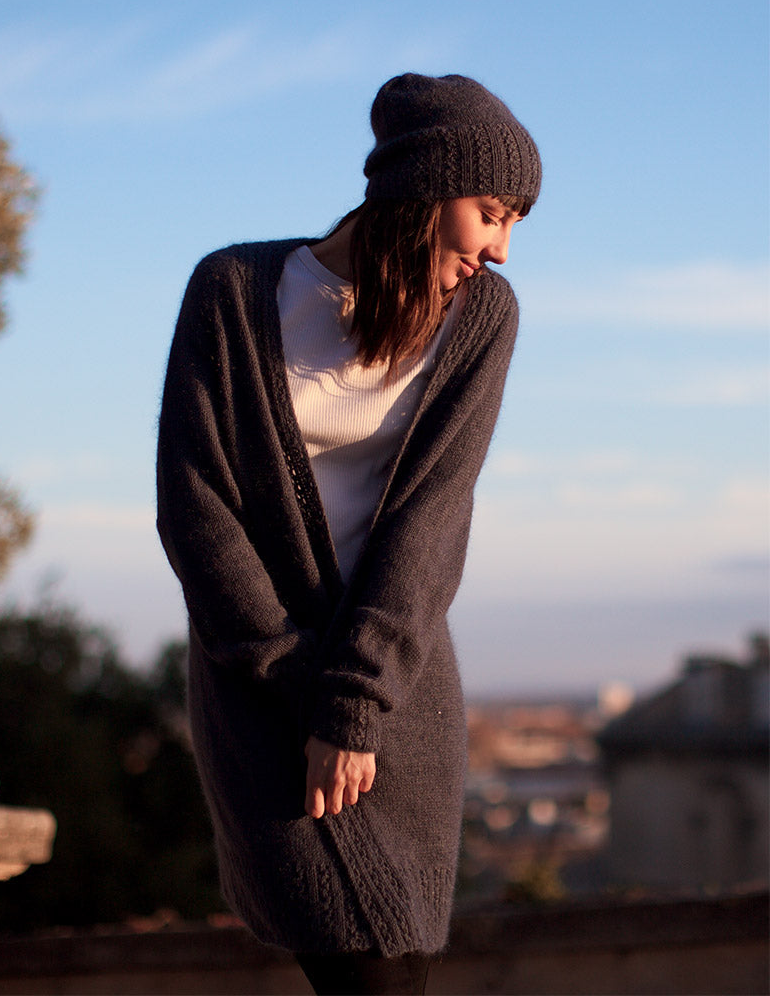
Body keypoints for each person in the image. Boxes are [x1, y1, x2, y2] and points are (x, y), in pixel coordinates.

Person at [156, 73, 541, 996]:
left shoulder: (482, 319)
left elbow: (432, 520)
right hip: (258, 684)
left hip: (392, 691)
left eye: (515, 225)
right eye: (490, 212)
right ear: (423, 187)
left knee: (388, 969)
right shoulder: (234, 291)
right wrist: (296, 688)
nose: (500, 248)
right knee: (358, 970)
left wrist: (352, 706)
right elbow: (195, 504)